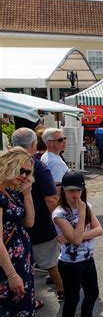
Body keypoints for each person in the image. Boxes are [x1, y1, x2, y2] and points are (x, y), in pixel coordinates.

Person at [12, 128, 64, 302]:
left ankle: (28, 298)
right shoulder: (38, 166)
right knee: (51, 262)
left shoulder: (7, 164)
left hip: (14, 227)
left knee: (22, 265)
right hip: (40, 225)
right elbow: (50, 199)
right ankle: (62, 290)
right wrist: (61, 223)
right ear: (34, 144)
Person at [52, 171, 103, 317]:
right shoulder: (59, 213)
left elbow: (99, 230)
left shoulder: (87, 206)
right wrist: (81, 217)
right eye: (70, 190)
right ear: (63, 191)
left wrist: (74, 237)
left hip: (88, 259)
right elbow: (76, 240)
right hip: (70, 263)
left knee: (92, 293)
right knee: (72, 299)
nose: (74, 194)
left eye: (78, 190)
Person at [0, 147, 36, 317]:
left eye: (28, 171)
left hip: (21, 265)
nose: (24, 175)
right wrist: (12, 275)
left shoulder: (12, 192)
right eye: (21, 170)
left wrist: (27, 193)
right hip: (7, 270)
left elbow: (29, 222)